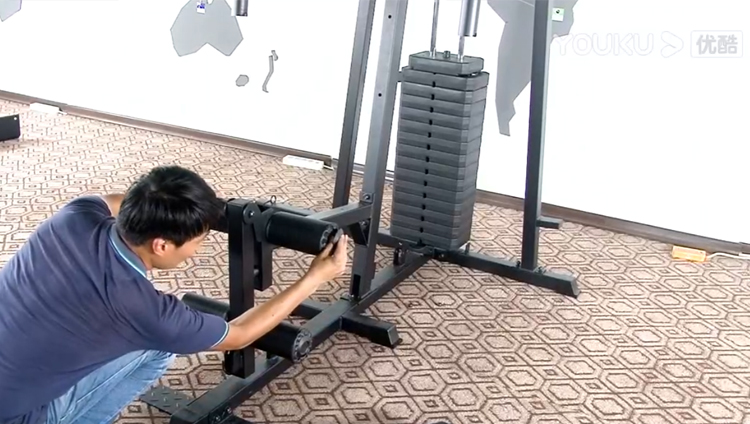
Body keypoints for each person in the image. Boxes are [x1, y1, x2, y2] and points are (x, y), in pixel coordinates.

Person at [0, 165, 349, 424]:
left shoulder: (75, 215)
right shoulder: (146, 310)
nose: (198, 252)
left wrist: (197, 208)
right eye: (198, 241)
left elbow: (121, 201)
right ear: (162, 245)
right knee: (160, 346)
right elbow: (240, 334)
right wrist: (314, 277)